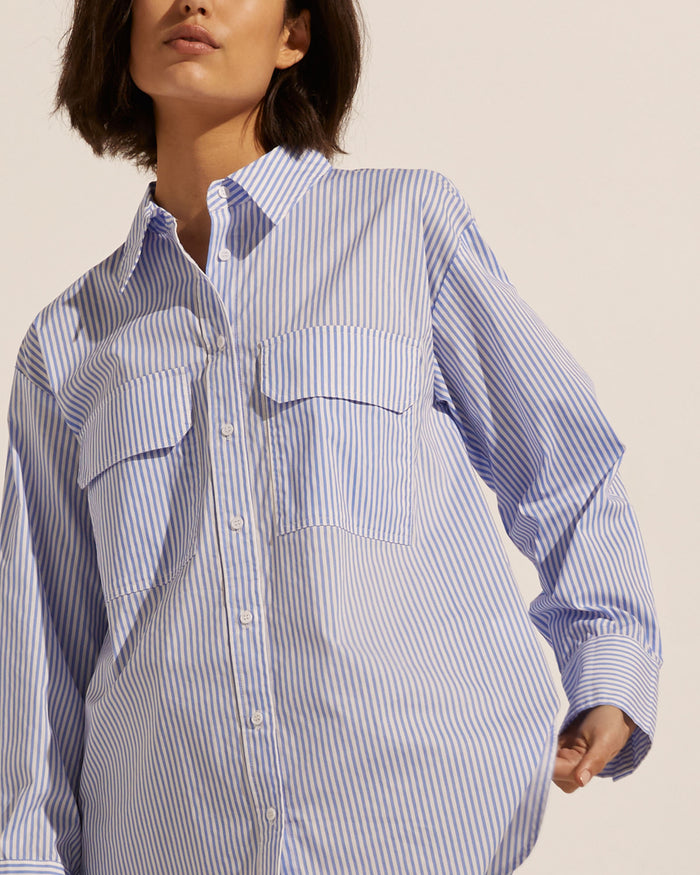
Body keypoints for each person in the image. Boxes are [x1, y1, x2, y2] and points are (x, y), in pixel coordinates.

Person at [0, 1, 662, 874]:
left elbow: (563, 464)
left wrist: (609, 660)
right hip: (172, 841)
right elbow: (40, 645)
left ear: (295, 36)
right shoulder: (68, 343)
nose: (192, 0)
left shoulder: (402, 227)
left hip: (414, 830)